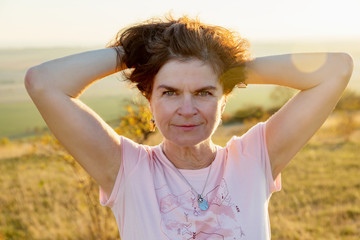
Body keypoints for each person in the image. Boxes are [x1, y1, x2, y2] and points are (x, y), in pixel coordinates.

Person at [25, 16, 353, 239]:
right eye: (169, 92)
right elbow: (43, 82)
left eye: (203, 92)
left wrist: (226, 67)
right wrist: (139, 52)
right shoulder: (126, 169)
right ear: (149, 100)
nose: (187, 110)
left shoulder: (254, 159)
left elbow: (336, 69)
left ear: (224, 100)